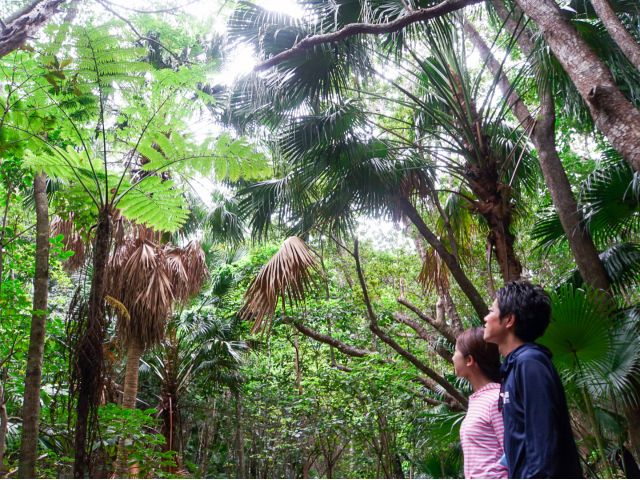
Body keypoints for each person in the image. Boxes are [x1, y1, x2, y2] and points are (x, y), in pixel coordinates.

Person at [483, 281, 582, 478]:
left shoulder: (530, 363)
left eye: (492, 311)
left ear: (509, 320)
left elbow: (543, 439)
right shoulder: (513, 367)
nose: (486, 318)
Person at [454, 327, 508, 479]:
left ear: (469, 360)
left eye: (455, 352)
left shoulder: (495, 399)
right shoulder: (479, 400)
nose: (452, 357)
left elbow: (513, 452)